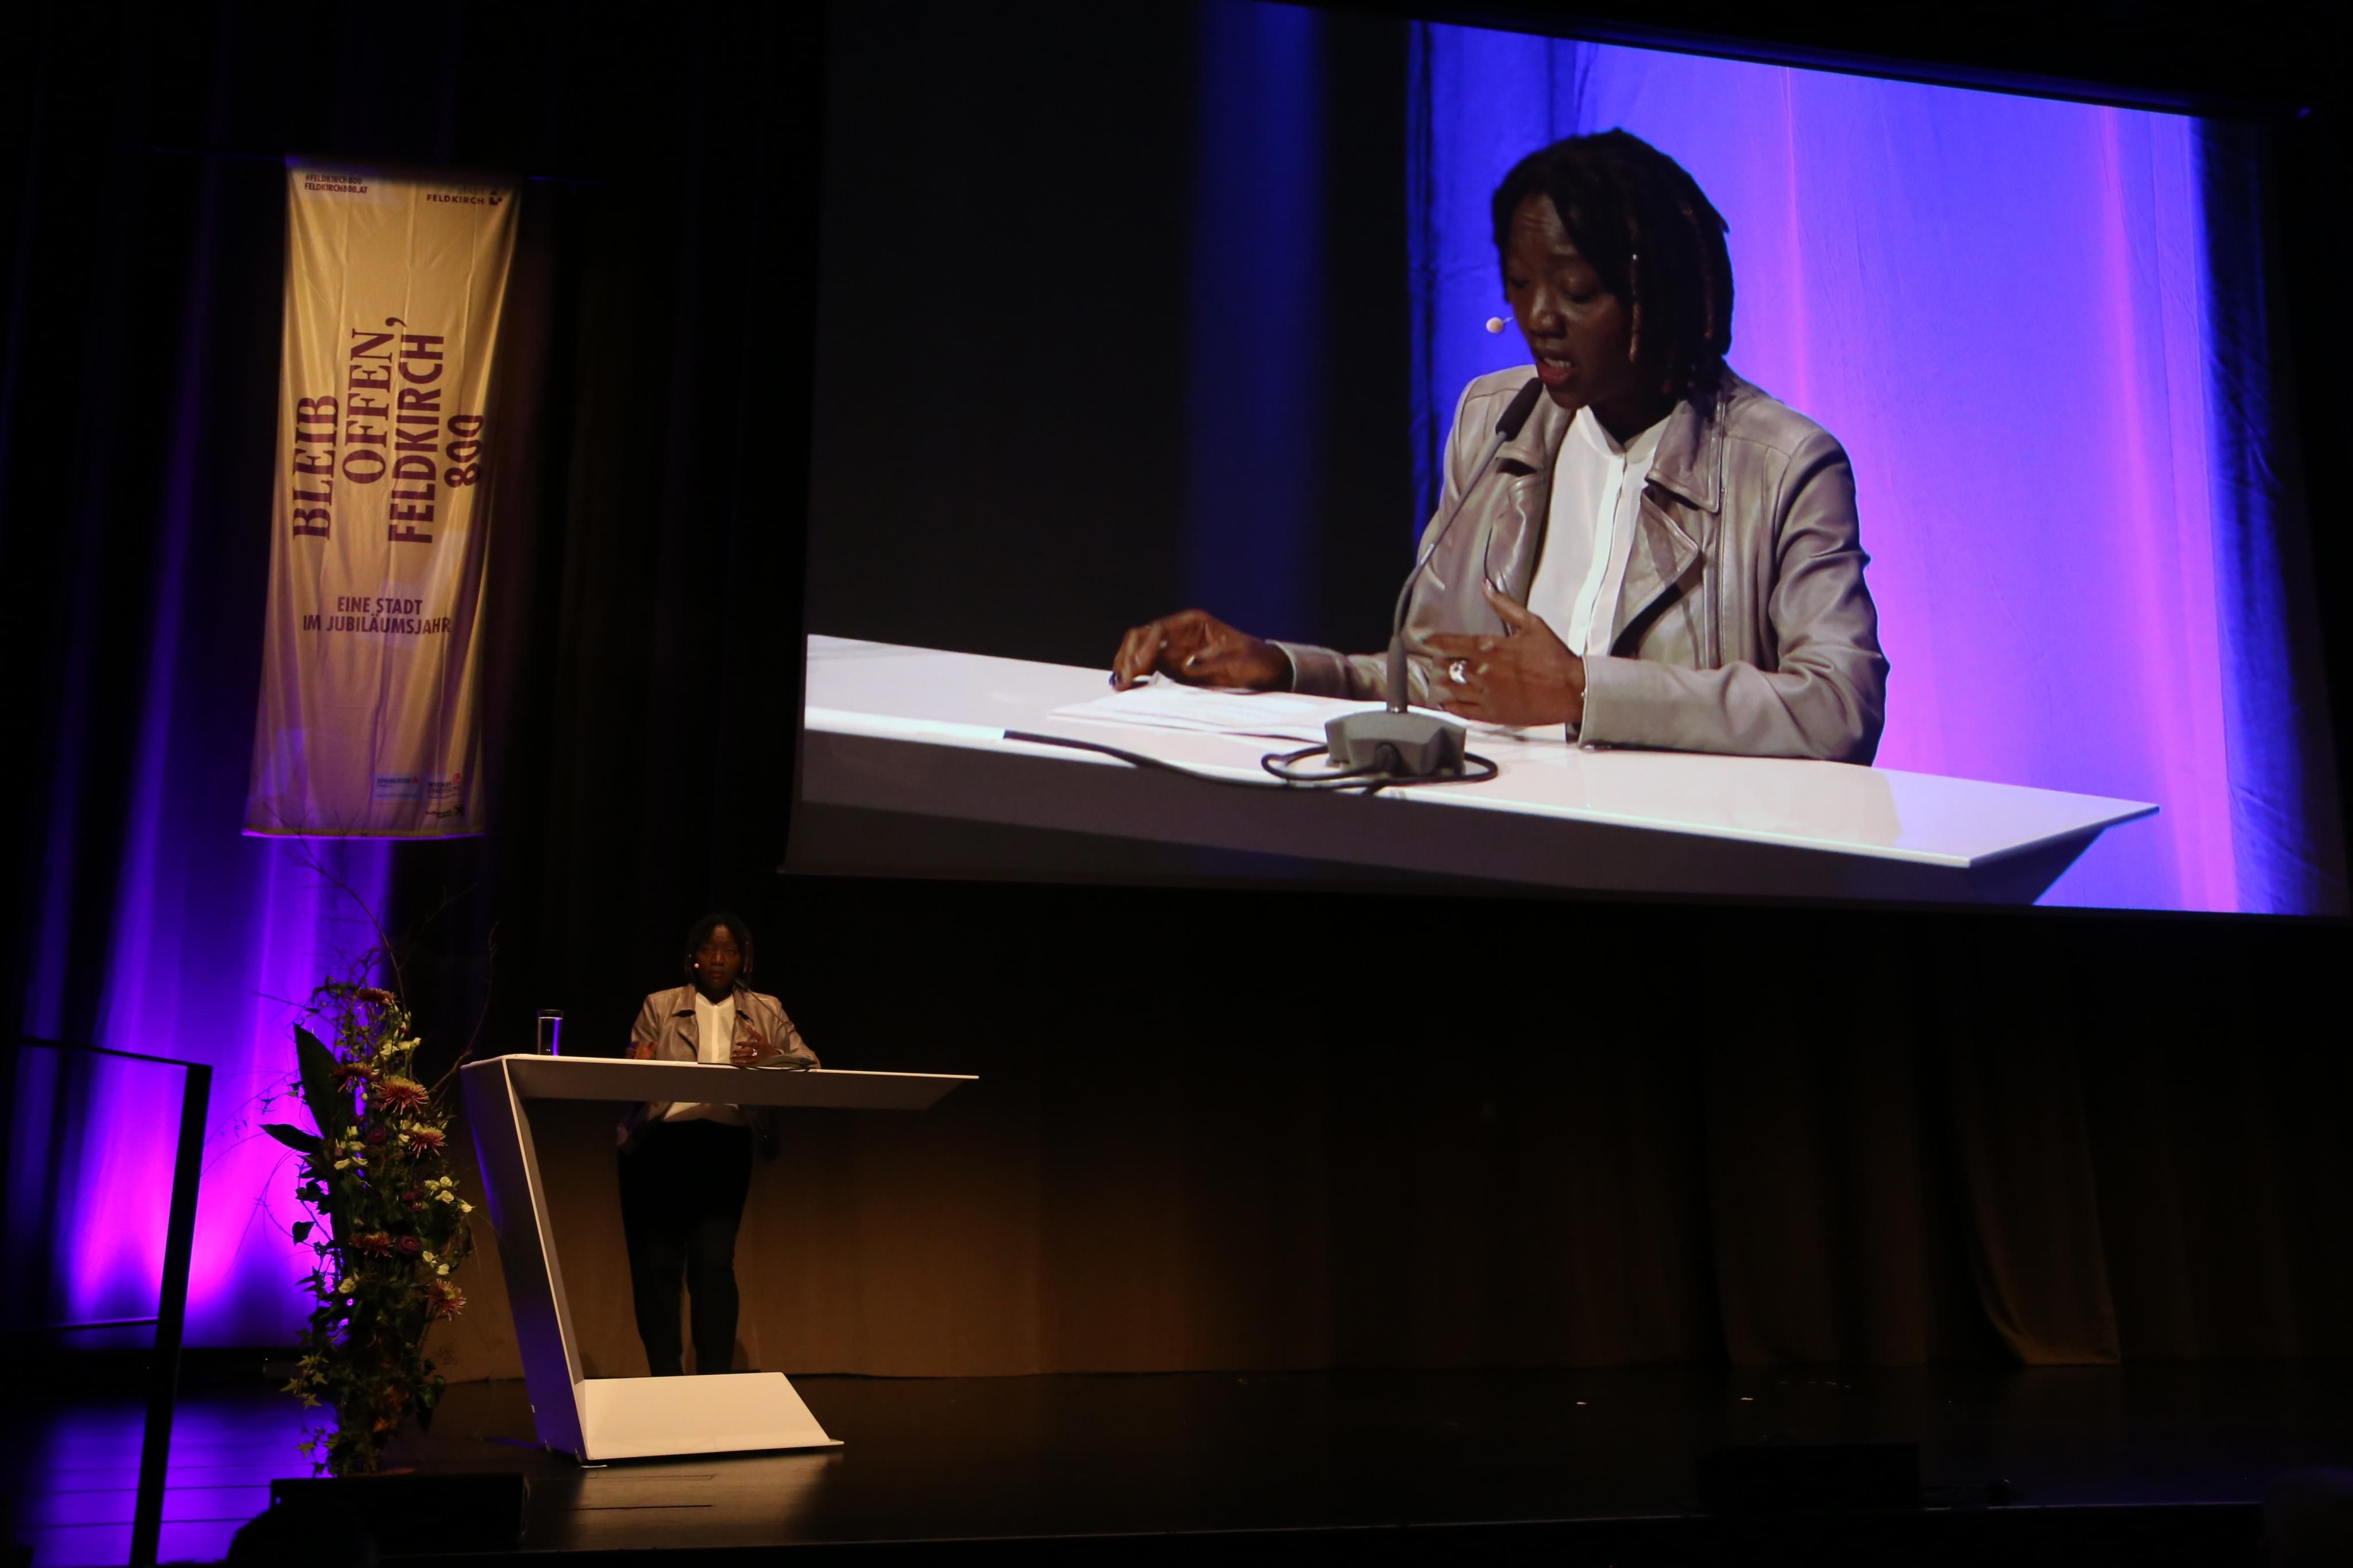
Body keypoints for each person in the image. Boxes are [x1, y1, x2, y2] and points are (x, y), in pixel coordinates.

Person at [1111, 130, 1887, 764]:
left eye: (1576, 291)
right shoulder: (1496, 421)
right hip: (1496, 839)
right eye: (1520, 285)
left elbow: (1838, 705)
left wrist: (1585, 690)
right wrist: (1275, 666)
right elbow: (1437, 676)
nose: (1539, 317)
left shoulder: (1783, 466)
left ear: (1657, 294)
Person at [615, 912, 817, 1377]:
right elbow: (633, 1068)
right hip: (659, 1147)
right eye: (709, 950)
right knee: (657, 1265)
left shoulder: (766, 1008)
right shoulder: (660, 1005)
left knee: (713, 1264)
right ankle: (665, 1378)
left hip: (723, 1147)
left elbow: (809, 1062)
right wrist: (638, 1064)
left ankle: (714, 1381)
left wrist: (772, 1056)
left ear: (744, 959)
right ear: (694, 957)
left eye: (729, 951)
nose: (719, 960)